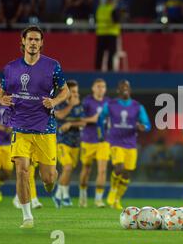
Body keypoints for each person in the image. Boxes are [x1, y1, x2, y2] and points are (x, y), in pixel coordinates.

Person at [0, 25, 69, 228]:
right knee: (22, 170)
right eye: (30, 39)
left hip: (45, 128)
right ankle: (27, 216)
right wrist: (2, 99)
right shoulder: (10, 68)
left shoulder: (52, 66)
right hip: (19, 127)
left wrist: (54, 102)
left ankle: (49, 180)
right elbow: (2, 92)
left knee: (48, 178)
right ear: (23, 41)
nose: (33, 43)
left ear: (41, 43)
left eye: (37, 39)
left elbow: (65, 91)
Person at [90, 80, 151, 210]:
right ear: (118, 90)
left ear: (130, 90)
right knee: (119, 168)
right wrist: (101, 134)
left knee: (127, 174)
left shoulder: (137, 106)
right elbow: (100, 119)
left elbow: (147, 125)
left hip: (131, 144)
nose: (125, 89)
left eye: (127, 87)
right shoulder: (110, 105)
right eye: (122, 87)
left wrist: (143, 127)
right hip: (115, 142)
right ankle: (112, 191)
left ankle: (117, 199)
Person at [51, 80, 85, 208]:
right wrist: (71, 105)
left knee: (68, 170)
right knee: (68, 167)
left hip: (75, 143)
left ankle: (64, 195)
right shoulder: (58, 103)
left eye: (77, 92)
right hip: (61, 141)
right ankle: (58, 194)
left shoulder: (79, 106)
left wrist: (71, 124)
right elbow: (59, 115)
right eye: (73, 92)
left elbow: (83, 122)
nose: (76, 94)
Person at [79, 78, 110, 208]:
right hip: (88, 140)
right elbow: (80, 119)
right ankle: (83, 194)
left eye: (103, 87)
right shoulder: (87, 102)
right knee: (86, 169)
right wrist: (94, 119)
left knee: (102, 170)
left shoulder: (109, 102)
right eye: (98, 86)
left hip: (103, 141)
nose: (100, 89)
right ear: (93, 88)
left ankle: (98, 199)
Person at [95, 0, 121, 72]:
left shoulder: (100, 9)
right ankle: (110, 70)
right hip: (111, 33)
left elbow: (97, 19)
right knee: (111, 53)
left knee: (100, 54)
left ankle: (97, 70)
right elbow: (116, 20)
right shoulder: (113, 9)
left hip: (101, 33)